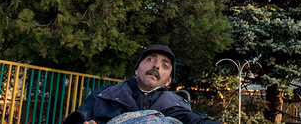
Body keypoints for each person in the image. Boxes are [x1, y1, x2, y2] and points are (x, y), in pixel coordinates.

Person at [62, 45, 220, 124]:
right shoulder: (104, 97)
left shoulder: (177, 108)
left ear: (169, 81)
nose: (156, 66)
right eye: (150, 60)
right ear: (137, 69)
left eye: (165, 66)